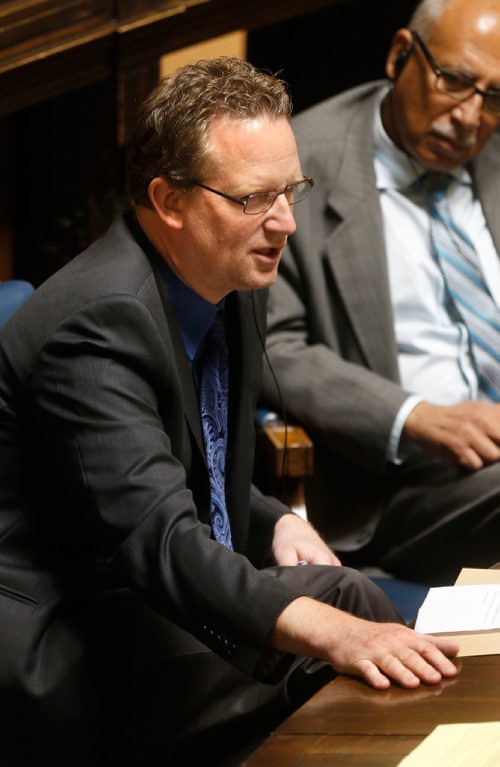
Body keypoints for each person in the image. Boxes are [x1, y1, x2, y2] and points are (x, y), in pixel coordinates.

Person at [0, 57, 457, 767]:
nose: (285, 224)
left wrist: (271, 520)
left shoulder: (229, 279)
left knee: (344, 596)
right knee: (336, 640)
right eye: (253, 199)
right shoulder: (94, 325)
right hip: (69, 638)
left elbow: (185, 458)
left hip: (150, 590)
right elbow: (159, 538)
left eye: (290, 191)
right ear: (170, 200)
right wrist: (335, 635)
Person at [262, 0, 500, 587]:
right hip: (399, 487)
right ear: (400, 55)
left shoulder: (494, 154)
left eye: (495, 98)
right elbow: (273, 348)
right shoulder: (298, 165)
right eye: (455, 81)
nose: (470, 117)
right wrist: (412, 417)